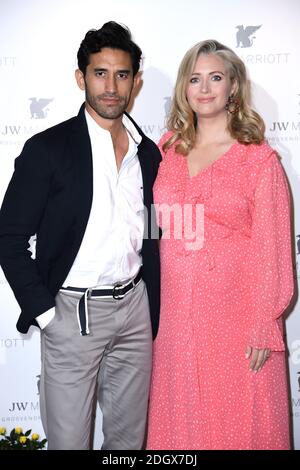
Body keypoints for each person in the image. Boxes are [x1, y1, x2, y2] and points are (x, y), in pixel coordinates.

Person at [0, 21, 161, 450]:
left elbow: (152, 232)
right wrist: (47, 315)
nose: (111, 86)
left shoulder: (148, 152)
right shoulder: (47, 149)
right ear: (81, 77)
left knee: (128, 443)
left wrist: (154, 307)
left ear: (136, 82)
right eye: (100, 73)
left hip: (134, 310)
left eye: (122, 74)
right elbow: (9, 239)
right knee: (69, 443)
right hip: (72, 312)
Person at [147, 39, 294, 450]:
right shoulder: (167, 151)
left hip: (239, 320)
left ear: (233, 86)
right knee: (180, 431)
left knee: (240, 426)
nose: (205, 88)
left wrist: (266, 323)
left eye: (215, 77)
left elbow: (275, 250)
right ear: (184, 88)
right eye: (195, 79)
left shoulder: (258, 160)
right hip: (174, 322)